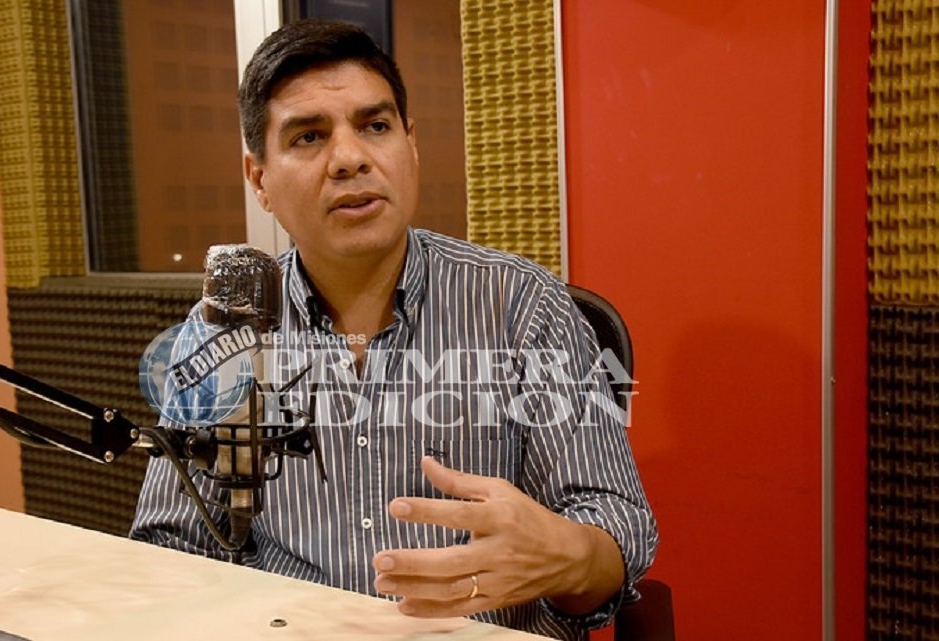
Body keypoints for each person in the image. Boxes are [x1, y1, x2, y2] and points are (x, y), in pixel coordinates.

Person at [131, 19, 657, 641]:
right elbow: (170, 540)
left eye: (375, 126)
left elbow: (618, 525)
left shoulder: (521, 304)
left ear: (411, 143)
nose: (350, 158)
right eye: (308, 136)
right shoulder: (227, 328)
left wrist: (569, 555)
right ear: (259, 179)